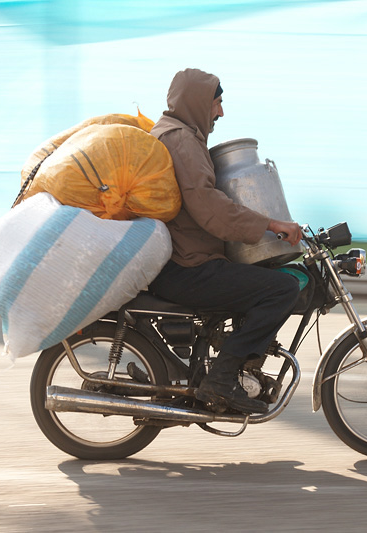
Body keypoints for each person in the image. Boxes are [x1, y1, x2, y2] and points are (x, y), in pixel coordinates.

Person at [149, 68, 302, 414]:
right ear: (198, 102)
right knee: (282, 289)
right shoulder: (182, 140)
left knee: (253, 282)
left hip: (181, 260)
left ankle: (226, 368)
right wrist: (271, 224)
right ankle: (221, 379)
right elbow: (209, 209)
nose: (220, 112)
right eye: (217, 102)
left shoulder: (171, 133)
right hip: (188, 266)